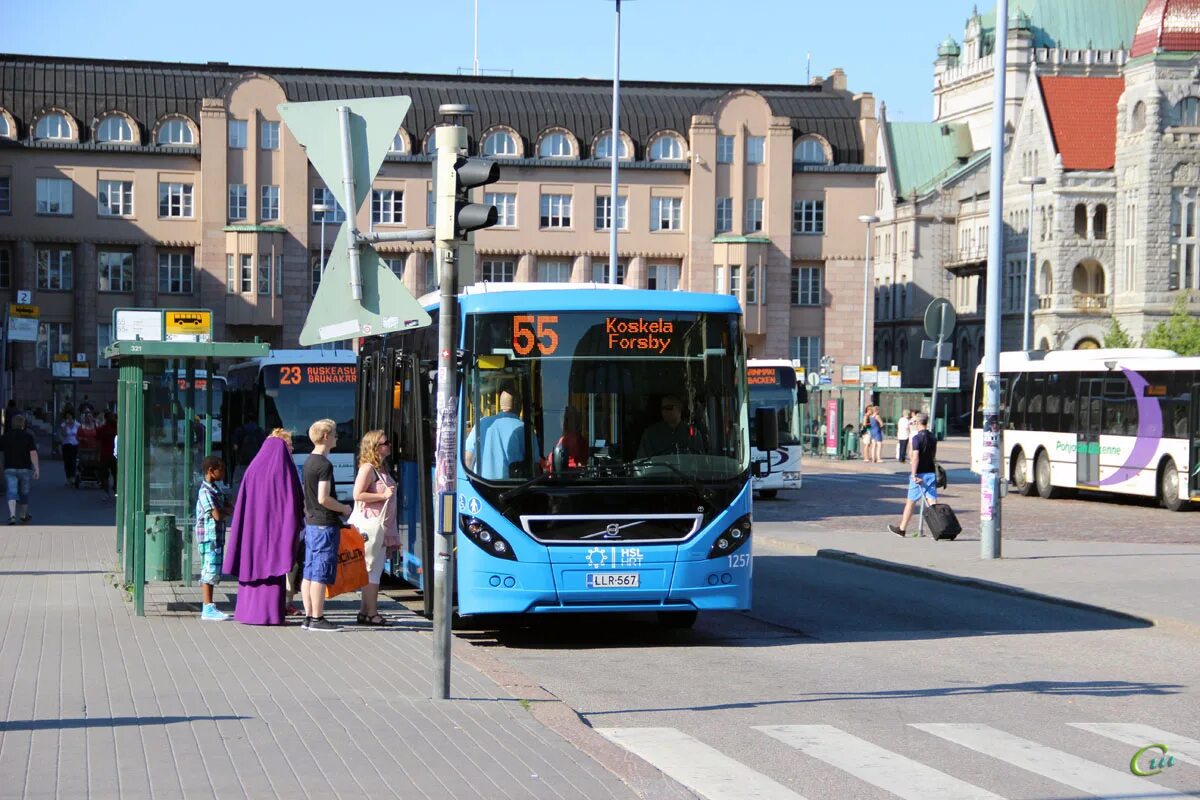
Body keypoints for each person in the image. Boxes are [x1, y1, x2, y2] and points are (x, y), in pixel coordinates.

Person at [223, 435, 304, 626]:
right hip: (275, 532)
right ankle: (271, 614)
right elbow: (294, 501)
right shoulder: (283, 470)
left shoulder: (252, 469)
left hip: (252, 533)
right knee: (273, 568)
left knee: (251, 565)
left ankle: (248, 613)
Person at [300, 418, 352, 632]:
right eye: (335, 434)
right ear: (325, 436)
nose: (337, 437)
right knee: (320, 572)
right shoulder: (324, 465)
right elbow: (324, 498)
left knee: (309, 571)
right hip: (324, 524)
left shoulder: (308, 462)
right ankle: (317, 618)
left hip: (312, 522)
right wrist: (344, 508)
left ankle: (308, 616)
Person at [351, 430, 399, 626]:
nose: (389, 445)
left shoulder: (382, 468)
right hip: (371, 527)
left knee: (373, 569)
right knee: (372, 570)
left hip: (382, 527)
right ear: (374, 447)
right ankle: (372, 613)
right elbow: (357, 494)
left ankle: (365, 612)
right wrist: (382, 496)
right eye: (385, 443)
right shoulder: (368, 469)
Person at [194, 456, 233, 621]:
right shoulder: (205, 492)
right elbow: (217, 514)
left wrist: (224, 510)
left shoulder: (216, 489)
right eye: (221, 469)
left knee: (213, 570)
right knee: (209, 570)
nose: (223, 473)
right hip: (209, 538)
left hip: (216, 536)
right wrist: (224, 511)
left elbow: (229, 507)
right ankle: (207, 606)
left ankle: (209, 605)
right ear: (211, 471)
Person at [889, 412, 937, 537]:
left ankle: (902, 528)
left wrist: (914, 474)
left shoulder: (917, 438)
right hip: (931, 472)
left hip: (920, 473)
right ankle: (939, 526)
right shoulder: (933, 437)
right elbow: (933, 456)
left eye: (914, 421)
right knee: (932, 501)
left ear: (917, 422)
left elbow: (915, 457)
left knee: (911, 501)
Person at [464, 384, 525, 480]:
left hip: (480, 486)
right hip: (513, 487)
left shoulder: (481, 423)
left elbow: (468, 459)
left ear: (501, 405)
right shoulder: (524, 428)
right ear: (519, 405)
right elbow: (535, 466)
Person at [638, 394, 704, 458]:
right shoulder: (650, 434)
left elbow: (700, 459)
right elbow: (642, 460)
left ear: (679, 408)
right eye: (662, 408)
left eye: (668, 408)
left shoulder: (693, 433)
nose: (664, 411)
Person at [1, 414, 39, 525]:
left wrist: (1, 465)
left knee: (11, 491)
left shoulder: (5, 436)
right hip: (25, 469)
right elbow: (33, 453)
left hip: (10, 468)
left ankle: (12, 515)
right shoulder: (28, 437)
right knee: (24, 492)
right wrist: (36, 468)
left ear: (12, 424)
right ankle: (23, 515)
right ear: (23, 424)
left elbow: (1, 452)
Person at [543, 405, 587, 472]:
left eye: (564, 419)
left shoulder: (567, 440)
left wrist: (546, 459)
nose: (562, 422)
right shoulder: (582, 440)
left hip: (566, 476)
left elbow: (558, 458)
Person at [97, 412, 118, 498]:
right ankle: (116, 489)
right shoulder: (116, 428)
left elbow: (97, 438)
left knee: (104, 474)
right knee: (115, 473)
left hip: (104, 453)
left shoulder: (103, 428)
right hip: (114, 454)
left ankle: (106, 491)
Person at [59, 411, 81, 486]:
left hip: (75, 444)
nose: (68, 418)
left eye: (70, 416)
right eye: (67, 417)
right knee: (67, 462)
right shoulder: (63, 425)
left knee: (73, 461)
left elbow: (79, 434)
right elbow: (64, 434)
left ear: (72, 417)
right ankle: (68, 478)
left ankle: (73, 477)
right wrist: (66, 425)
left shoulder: (77, 425)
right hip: (66, 444)